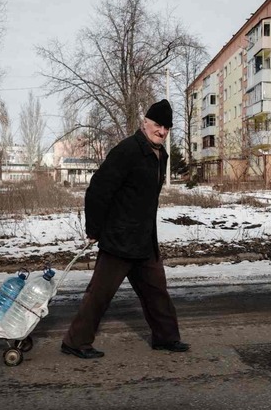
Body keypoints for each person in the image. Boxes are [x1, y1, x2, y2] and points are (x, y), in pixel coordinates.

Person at [61, 99, 189, 359]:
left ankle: (166, 338)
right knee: (100, 294)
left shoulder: (159, 154)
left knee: (157, 292)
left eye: (166, 127)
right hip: (119, 238)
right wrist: (94, 228)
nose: (162, 131)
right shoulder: (128, 150)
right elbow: (97, 189)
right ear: (145, 123)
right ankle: (75, 342)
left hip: (143, 239)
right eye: (157, 125)